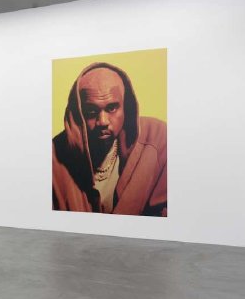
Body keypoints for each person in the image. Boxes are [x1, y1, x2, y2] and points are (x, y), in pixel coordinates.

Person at [52, 62, 167, 216]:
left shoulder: (157, 138)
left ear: (126, 107)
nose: (103, 121)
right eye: (91, 111)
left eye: (112, 108)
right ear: (78, 113)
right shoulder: (53, 157)